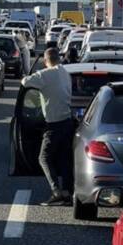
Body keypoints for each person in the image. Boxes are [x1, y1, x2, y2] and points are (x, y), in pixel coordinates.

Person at [21, 48, 74, 206]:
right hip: (67, 121)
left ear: (45, 61)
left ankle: (56, 192)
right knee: (65, 159)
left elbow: (26, 82)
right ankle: (67, 191)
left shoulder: (45, 74)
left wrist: (28, 75)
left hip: (54, 123)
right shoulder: (65, 73)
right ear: (58, 58)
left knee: (43, 157)